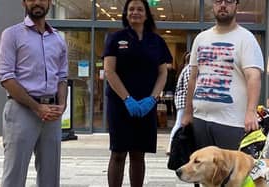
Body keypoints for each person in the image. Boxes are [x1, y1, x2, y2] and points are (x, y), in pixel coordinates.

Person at [0, 0, 68, 186]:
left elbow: (62, 76)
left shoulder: (58, 39)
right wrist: (37, 107)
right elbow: (6, 77)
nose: (38, 2)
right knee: (14, 176)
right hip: (21, 111)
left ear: (50, 2)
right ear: (24, 2)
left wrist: (62, 105)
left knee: (50, 178)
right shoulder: (12, 35)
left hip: (51, 114)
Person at [102, 0, 172, 186]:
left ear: (147, 14)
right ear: (125, 14)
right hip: (120, 105)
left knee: (138, 154)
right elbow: (110, 71)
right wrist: (127, 99)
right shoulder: (115, 38)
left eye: (140, 9)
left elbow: (163, 72)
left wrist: (152, 99)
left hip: (146, 105)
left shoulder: (157, 41)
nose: (135, 12)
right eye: (131, 9)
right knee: (118, 153)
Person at [181, 0, 264, 152]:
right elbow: (193, 77)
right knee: (204, 174)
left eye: (229, 1)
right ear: (213, 5)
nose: (223, 5)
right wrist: (187, 113)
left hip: (232, 123)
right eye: (219, 1)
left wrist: (251, 112)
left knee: (231, 175)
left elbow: (254, 77)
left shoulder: (246, 38)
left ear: (236, 6)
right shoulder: (201, 38)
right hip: (200, 119)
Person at [166, 52, 191, 154]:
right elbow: (189, 88)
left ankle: (173, 146)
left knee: (179, 124)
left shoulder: (184, 69)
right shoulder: (189, 69)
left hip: (182, 101)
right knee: (179, 124)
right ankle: (171, 146)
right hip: (185, 101)